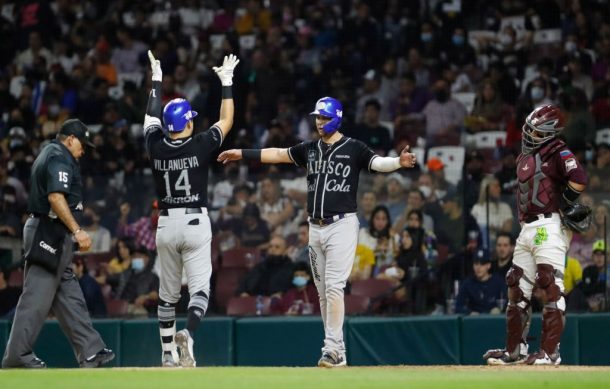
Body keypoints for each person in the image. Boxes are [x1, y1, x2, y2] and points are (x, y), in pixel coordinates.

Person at [217, 96, 417, 368]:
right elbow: (279, 154)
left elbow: (378, 163)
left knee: (335, 287)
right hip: (315, 227)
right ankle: (338, 350)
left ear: (336, 118)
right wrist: (242, 153)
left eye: (324, 118)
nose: (319, 122)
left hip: (342, 224)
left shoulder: (353, 147)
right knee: (323, 292)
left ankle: (331, 349)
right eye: (317, 118)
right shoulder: (310, 148)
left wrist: (398, 162)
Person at [144, 51, 239, 367]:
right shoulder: (199, 145)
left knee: (168, 295)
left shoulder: (155, 145)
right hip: (196, 221)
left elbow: (151, 118)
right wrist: (226, 83)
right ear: (187, 121)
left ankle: (167, 353)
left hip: (166, 223)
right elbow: (226, 121)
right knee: (199, 291)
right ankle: (190, 334)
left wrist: (156, 82)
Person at [2, 119, 114, 369]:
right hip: (47, 231)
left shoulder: (52, 153)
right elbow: (55, 196)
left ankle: (90, 350)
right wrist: (77, 230)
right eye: (82, 144)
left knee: (69, 295)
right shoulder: (58, 155)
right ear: (70, 139)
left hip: (54, 234)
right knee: (36, 296)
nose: (83, 150)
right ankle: (17, 357)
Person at [484, 105, 588, 366]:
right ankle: (514, 352)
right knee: (516, 287)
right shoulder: (524, 156)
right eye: (528, 129)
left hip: (548, 225)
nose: (529, 134)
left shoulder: (558, 151)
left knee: (550, 285)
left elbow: (579, 178)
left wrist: (564, 203)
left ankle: (550, 353)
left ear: (549, 133)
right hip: (527, 228)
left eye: (535, 131)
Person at [455, 250, 505, 315]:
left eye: (482, 264)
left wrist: (499, 309)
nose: (478, 267)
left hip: (494, 321)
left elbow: (509, 302)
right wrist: (469, 312)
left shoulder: (498, 282)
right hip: (474, 321)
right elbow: (458, 306)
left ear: (488, 265)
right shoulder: (468, 283)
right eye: (476, 264)